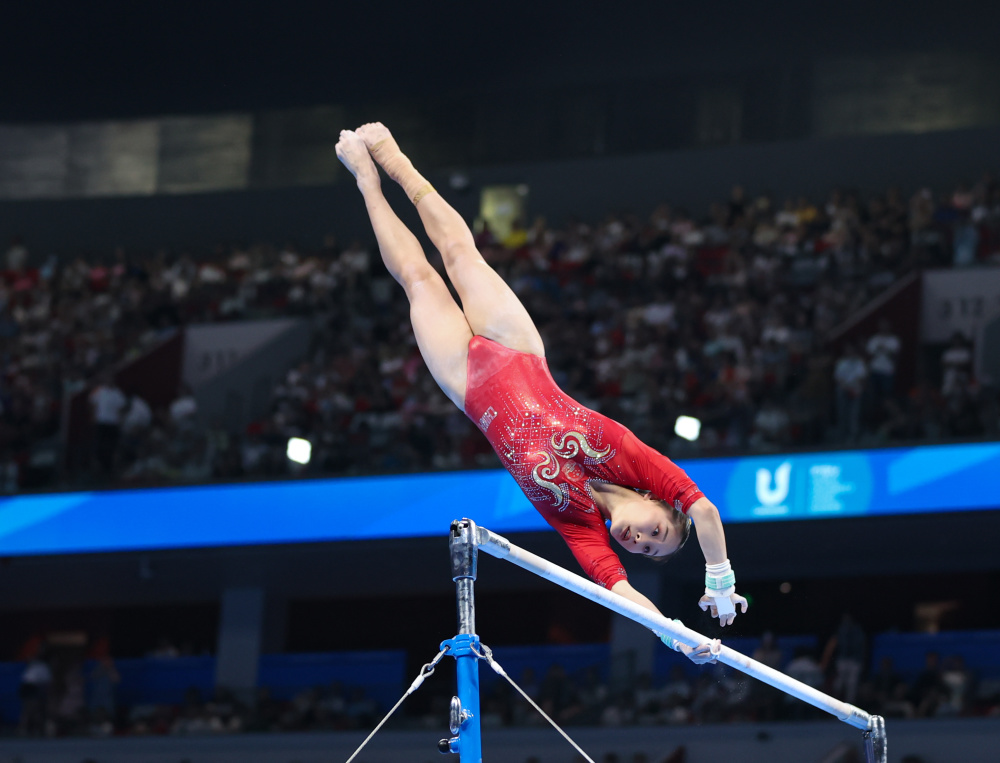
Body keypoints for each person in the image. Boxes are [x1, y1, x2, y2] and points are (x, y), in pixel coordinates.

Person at [335, 124, 747, 664]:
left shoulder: (578, 523)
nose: (640, 542)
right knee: (460, 254)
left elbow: (618, 592)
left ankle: (365, 178)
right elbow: (707, 512)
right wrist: (719, 581)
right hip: (518, 349)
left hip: (466, 383)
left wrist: (671, 632)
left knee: (418, 278)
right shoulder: (636, 463)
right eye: (657, 533)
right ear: (656, 503)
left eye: (646, 550)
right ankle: (394, 161)